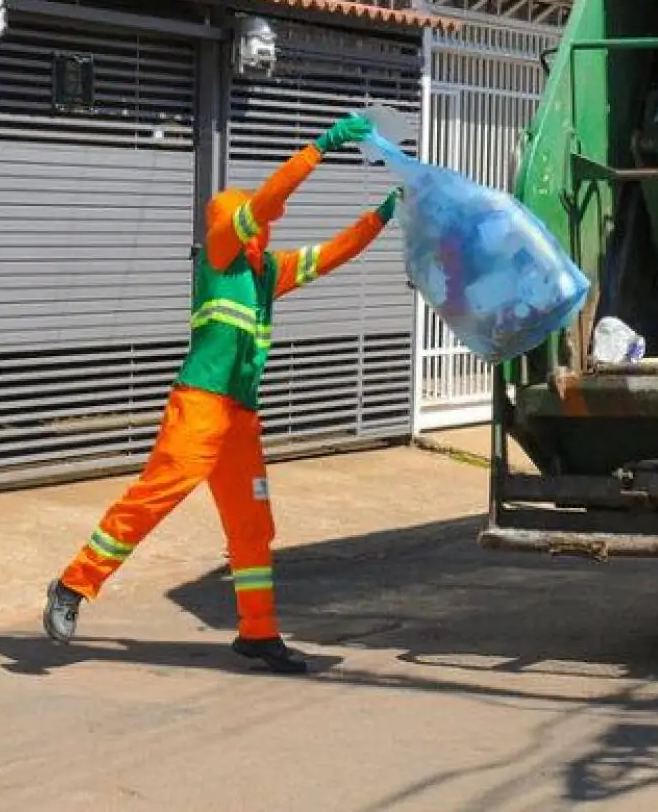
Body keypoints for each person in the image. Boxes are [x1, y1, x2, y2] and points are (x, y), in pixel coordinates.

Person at [42, 114, 399, 673]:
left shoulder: (266, 273)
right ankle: (72, 585)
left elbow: (335, 253)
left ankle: (258, 633)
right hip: (200, 405)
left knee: (254, 527)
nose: (261, 225)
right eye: (249, 219)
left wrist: (384, 214)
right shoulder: (220, 254)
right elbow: (268, 200)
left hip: (239, 418)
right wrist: (320, 147)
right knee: (155, 496)